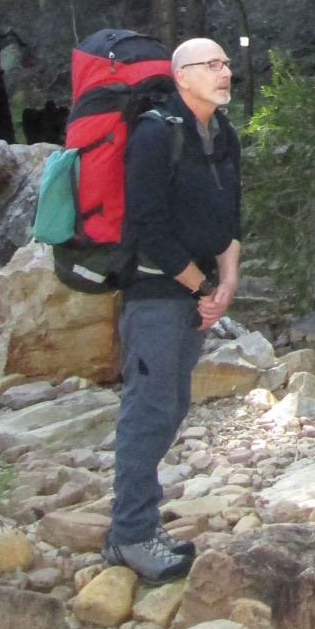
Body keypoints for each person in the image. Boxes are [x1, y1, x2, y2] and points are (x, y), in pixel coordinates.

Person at [101, 37, 242, 583]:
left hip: (195, 292)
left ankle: (138, 527)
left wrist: (225, 282)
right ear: (182, 76)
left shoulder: (222, 133)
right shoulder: (156, 133)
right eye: (212, 65)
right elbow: (146, 227)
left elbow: (231, 217)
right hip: (155, 294)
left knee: (173, 403)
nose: (225, 72)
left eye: (226, 64)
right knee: (148, 410)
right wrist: (200, 286)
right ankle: (130, 536)